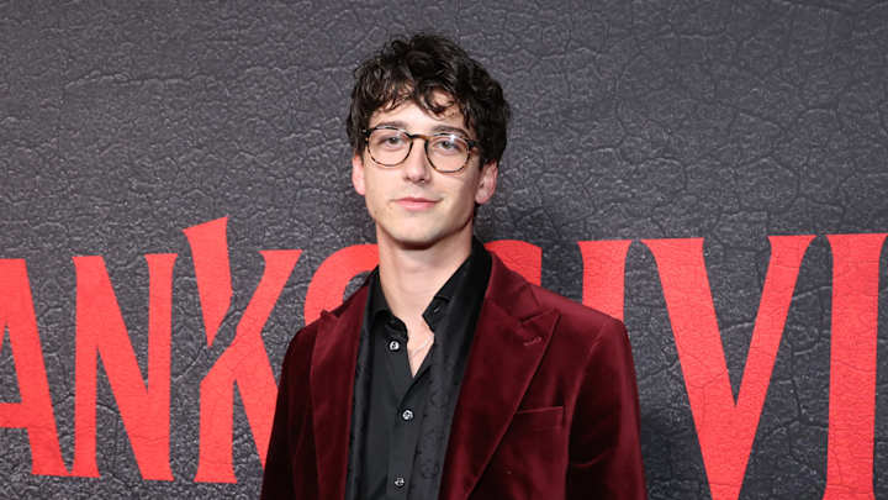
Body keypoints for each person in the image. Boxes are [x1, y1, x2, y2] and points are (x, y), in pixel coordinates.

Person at [261, 33, 646, 500]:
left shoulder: (584, 348)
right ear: (360, 169)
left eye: (446, 144)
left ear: (485, 177)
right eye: (391, 139)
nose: (415, 169)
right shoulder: (309, 356)